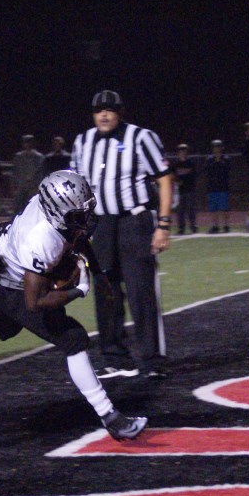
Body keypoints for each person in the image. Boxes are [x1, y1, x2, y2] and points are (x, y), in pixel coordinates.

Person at [0, 171, 148, 440]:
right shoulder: (42, 239)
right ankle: (111, 418)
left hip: (15, 267)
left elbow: (77, 235)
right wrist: (78, 290)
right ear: (57, 212)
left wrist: (98, 274)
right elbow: (34, 303)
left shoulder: (57, 212)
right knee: (74, 339)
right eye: (78, 215)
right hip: (12, 287)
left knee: (4, 326)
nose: (86, 219)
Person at [71, 90, 171, 379]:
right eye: (98, 110)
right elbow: (77, 186)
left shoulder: (141, 137)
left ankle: (152, 359)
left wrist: (163, 225)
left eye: (109, 109)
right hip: (100, 224)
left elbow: (165, 180)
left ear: (120, 112)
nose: (103, 115)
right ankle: (114, 356)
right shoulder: (83, 142)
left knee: (141, 292)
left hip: (134, 222)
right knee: (105, 292)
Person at [12, 134, 44, 213]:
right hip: (21, 185)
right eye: (26, 142)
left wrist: (38, 186)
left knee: (33, 207)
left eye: (29, 142)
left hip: (33, 187)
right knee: (18, 208)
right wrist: (14, 185)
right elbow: (15, 172)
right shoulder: (18, 156)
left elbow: (40, 172)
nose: (27, 144)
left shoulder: (38, 157)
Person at [204, 139, 231, 233]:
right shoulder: (209, 159)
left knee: (224, 208)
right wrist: (215, 161)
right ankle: (215, 225)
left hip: (223, 186)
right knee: (213, 208)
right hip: (212, 186)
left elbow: (227, 169)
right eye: (215, 147)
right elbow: (207, 170)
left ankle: (226, 225)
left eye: (218, 147)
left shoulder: (226, 158)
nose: (217, 149)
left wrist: (220, 160)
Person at [172, 144, 198, 234]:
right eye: (180, 151)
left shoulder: (191, 163)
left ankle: (193, 227)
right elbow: (172, 175)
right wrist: (176, 181)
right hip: (180, 191)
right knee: (180, 211)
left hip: (190, 190)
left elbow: (194, 175)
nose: (182, 153)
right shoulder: (176, 164)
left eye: (184, 151)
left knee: (191, 209)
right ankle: (181, 228)